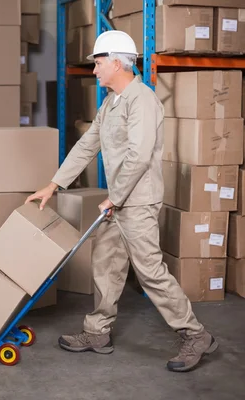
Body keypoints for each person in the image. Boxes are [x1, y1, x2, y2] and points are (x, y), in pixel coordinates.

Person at [26, 30, 217, 373]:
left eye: (98, 63)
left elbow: (140, 156)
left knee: (150, 273)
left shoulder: (141, 100)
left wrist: (113, 197)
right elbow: (88, 145)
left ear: (116, 61)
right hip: (118, 203)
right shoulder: (111, 102)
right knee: (106, 260)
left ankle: (195, 334)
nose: (95, 70)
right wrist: (54, 184)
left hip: (138, 202)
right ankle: (97, 332)